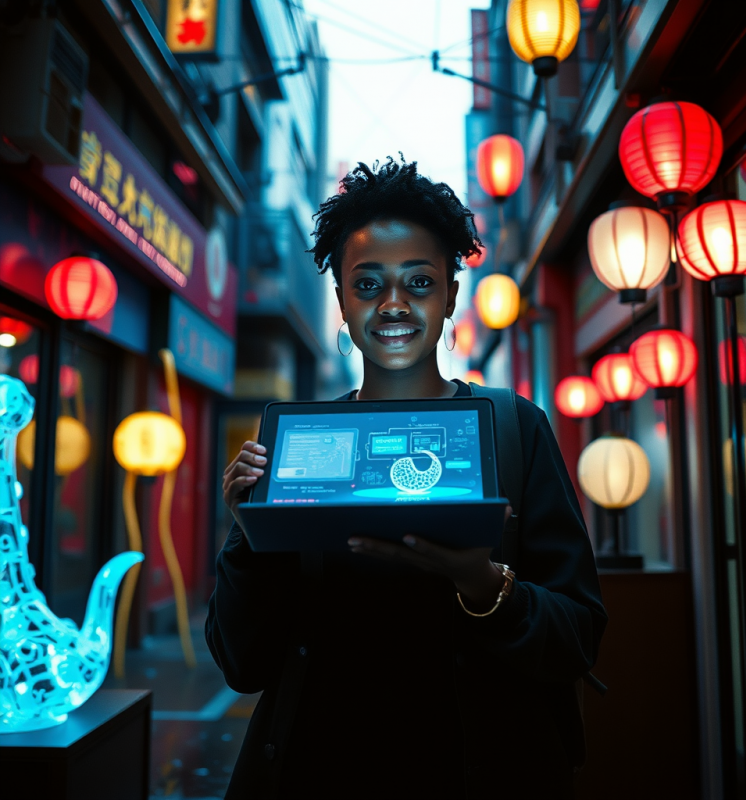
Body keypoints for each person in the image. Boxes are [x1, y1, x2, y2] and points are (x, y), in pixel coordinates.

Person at [206, 157, 607, 799]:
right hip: (317, 772)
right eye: (368, 285)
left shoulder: (512, 429)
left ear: (451, 293)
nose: (394, 304)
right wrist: (249, 535)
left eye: (419, 282)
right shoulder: (300, 452)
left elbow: (577, 639)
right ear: (341, 299)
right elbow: (243, 663)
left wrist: (482, 584)